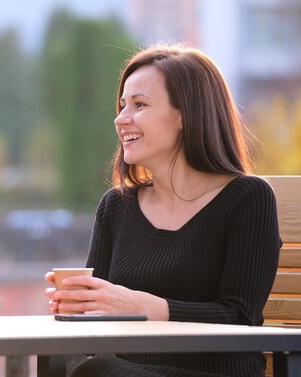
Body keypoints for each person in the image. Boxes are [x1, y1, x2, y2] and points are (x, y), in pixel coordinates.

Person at [45, 45, 281, 377]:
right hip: (125, 371)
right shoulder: (116, 208)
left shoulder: (247, 198)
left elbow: (239, 317)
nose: (120, 118)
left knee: (95, 372)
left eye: (140, 105)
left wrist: (142, 306)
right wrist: (80, 308)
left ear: (187, 114)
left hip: (217, 373)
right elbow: (91, 341)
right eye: (122, 105)